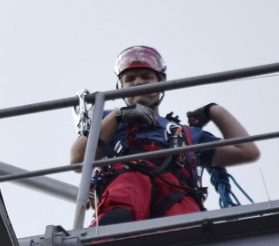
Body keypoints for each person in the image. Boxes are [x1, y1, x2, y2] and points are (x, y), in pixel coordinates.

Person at [69, 45, 260, 225]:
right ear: (120, 87)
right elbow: (78, 160)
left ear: (161, 83)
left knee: (184, 223)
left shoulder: (185, 133)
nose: (138, 82)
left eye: (146, 76)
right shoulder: (109, 119)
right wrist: (119, 116)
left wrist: (214, 110)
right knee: (121, 205)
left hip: (177, 192)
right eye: (129, 79)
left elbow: (247, 151)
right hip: (129, 182)